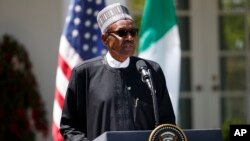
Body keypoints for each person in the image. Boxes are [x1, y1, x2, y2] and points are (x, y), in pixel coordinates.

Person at [60, 3, 176, 141]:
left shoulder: (151, 71)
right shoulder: (84, 73)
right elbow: (69, 126)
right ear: (104, 39)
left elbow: (167, 122)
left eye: (133, 32)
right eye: (122, 33)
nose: (129, 38)